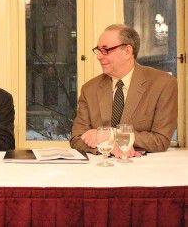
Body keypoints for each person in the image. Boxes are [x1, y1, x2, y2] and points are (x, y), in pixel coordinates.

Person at [71, 24, 177, 156]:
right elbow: (76, 138)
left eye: (105, 50)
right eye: (98, 50)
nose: (98, 56)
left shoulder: (163, 83)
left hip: (143, 169)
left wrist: (110, 135)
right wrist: (108, 148)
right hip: (100, 169)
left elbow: (161, 140)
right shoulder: (89, 88)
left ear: (127, 51)